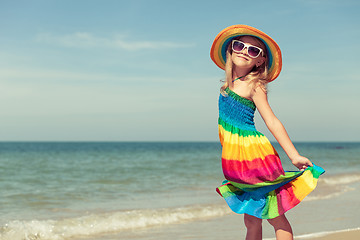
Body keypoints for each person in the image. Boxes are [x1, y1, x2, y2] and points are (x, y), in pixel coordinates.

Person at [210, 25, 325, 240]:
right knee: (251, 218)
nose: (245, 51)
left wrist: (294, 156)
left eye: (253, 50)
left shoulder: (254, 85)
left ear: (260, 61)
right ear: (231, 50)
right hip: (236, 159)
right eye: (240, 45)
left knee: (274, 215)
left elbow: (272, 121)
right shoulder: (228, 86)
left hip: (253, 155)